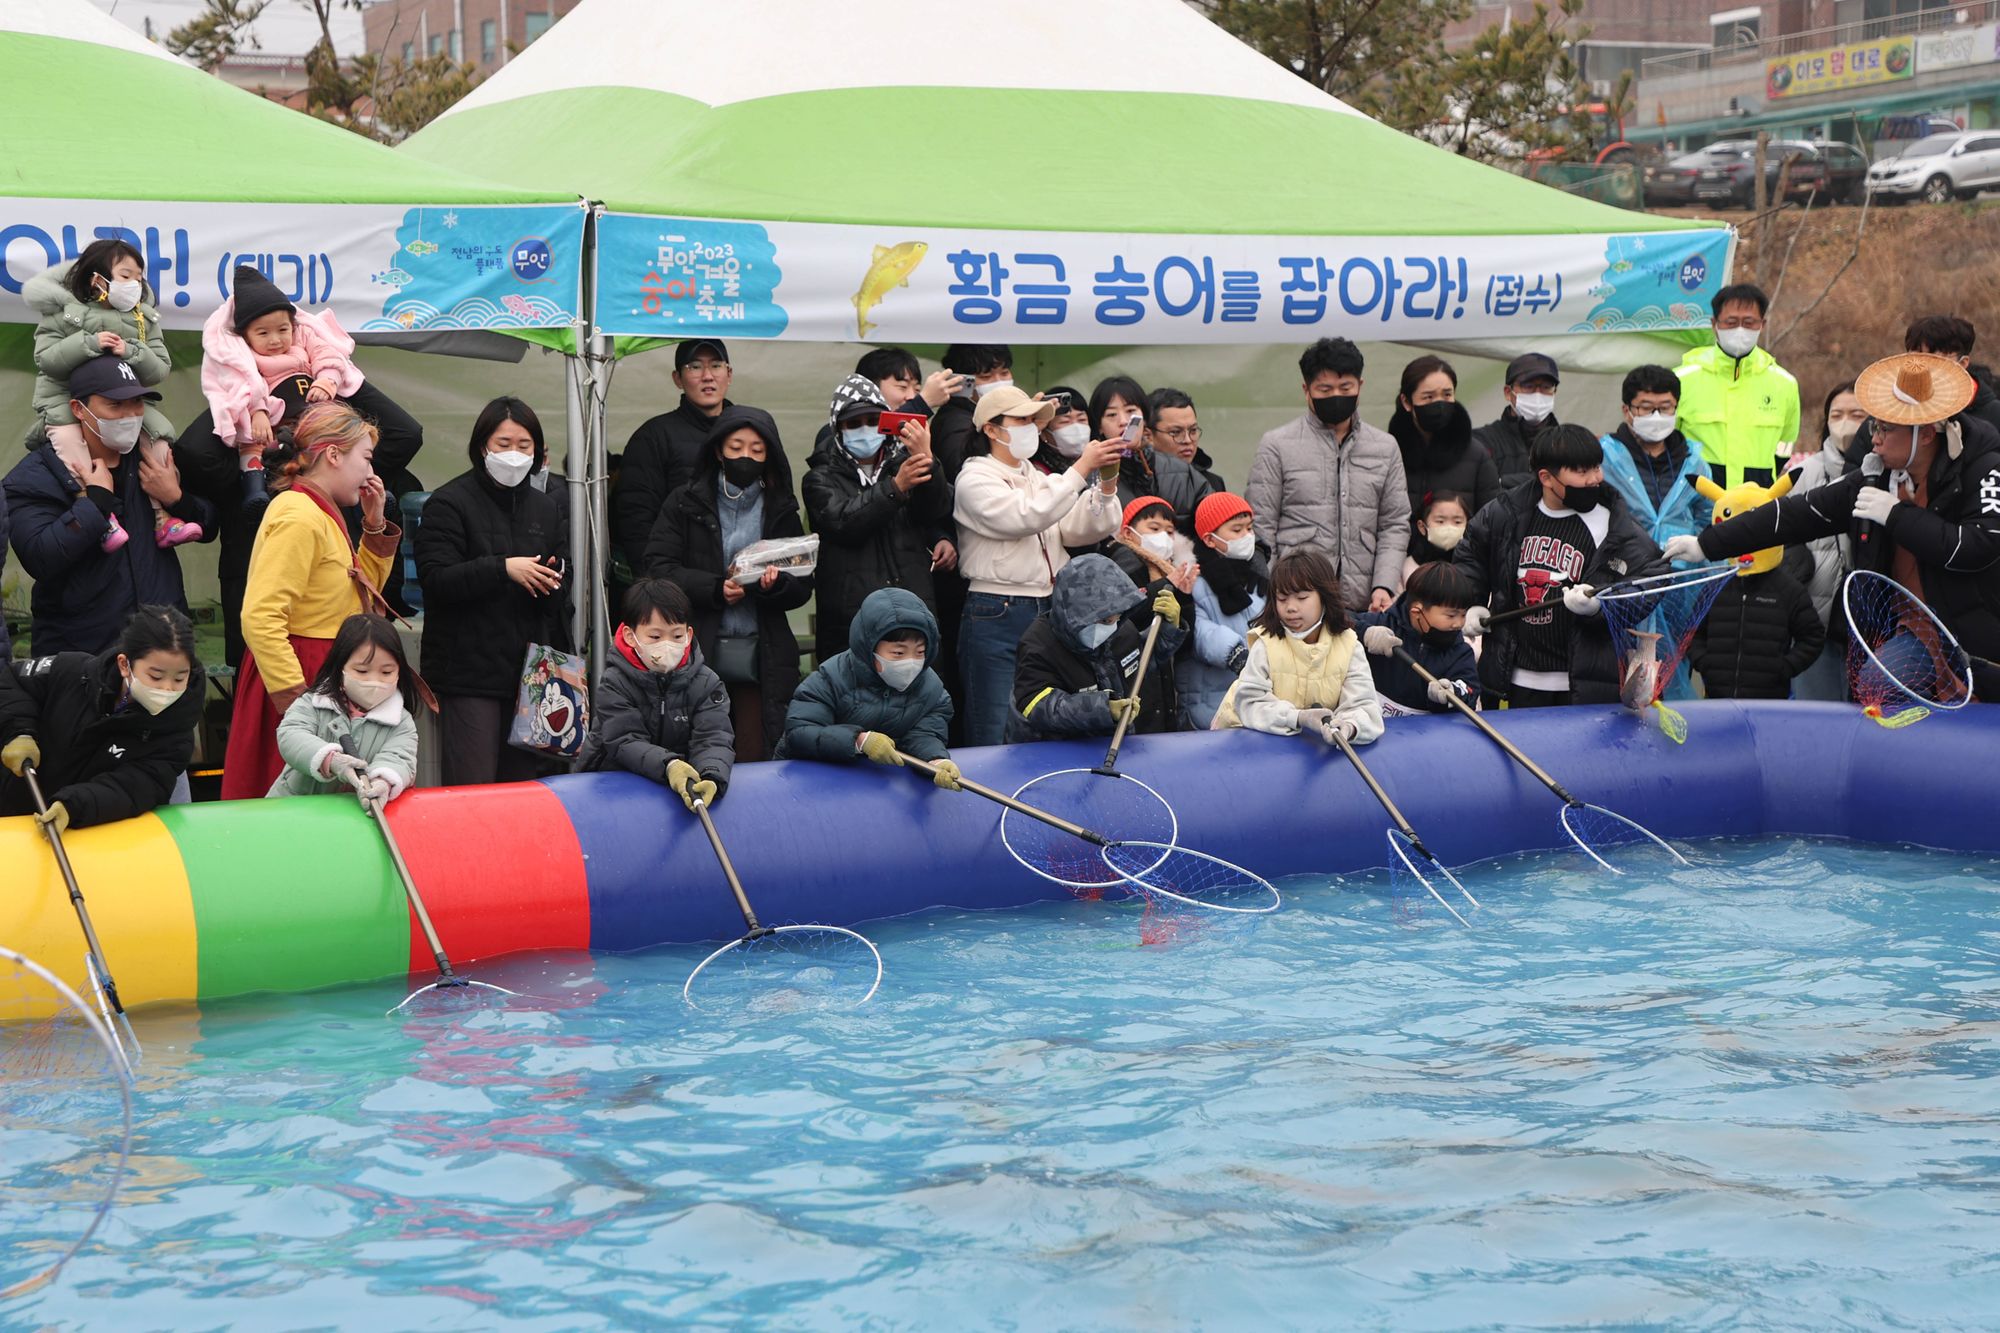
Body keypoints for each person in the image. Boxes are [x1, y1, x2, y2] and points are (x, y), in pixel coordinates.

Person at [1664, 352, 2000, 700]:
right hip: (1914, 632)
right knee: (1877, 685)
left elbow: (1978, 546)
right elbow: (1794, 514)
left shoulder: (1983, 467)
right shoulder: (1876, 476)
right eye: (1874, 426)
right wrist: (1708, 543)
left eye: (1886, 429)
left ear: (1926, 434)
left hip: (1979, 636)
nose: (1875, 439)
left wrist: (1898, 515)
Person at [223, 402, 400, 799]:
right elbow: (260, 616)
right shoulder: (299, 515)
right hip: (301, 676)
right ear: (334, 455)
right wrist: (298, 704)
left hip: (322, 674)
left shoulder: (319, 511)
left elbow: (361, 601)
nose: (370, 474)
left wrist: (373, 525)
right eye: (366, 459)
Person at [4, 355, 216, 656]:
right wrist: (96, 502)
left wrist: (176, 499)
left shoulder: (155, 459)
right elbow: (40, 557)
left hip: (163, 651)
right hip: (81, 659)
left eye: (137, 403)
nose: (130, 415)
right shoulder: (34, 477)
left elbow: (209, 525)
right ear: (79, 409)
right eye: (115, 405)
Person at [413, 397, 571, 786]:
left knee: (521, 790)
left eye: (524, 445)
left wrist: (552, 579)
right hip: (467, 672)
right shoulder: (449, 502)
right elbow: (435, 579)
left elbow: (558, 592)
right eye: (504, 444)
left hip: (529, 676)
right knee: (474, 786)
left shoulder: (546, 508)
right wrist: (502, 568)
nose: (514, 454)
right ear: (482, 446)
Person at [953, 385, 1122, 745]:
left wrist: (1106, 485)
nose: (1031, 426)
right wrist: (1080, 469)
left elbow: (1073, 530)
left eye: (1034, 419)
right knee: (995, 723)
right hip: (997, 609)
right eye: (1022, 419)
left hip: (1049, 608)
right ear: (991, 429)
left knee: (1047, 720)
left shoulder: (1038, 476)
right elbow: (1025, 517)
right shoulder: (974, 478)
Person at [1456, 423, 1668, 707]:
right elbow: (1470, 552)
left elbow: (1653, 577)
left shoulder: (1612, 522)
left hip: (1583, 684)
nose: (1595, 478)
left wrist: (1601, 606)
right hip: (1514, 681)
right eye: (1582, 471)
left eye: (1596, 467)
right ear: (1546, 477)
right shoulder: (1507, 513)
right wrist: (1472, 603)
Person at [643, 406, 812, 761]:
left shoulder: (781, 508)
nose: (745, 456)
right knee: (696, 751)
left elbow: (802, 584)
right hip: (693, 650)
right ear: (718, 450)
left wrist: (773, 586)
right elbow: (659, 568)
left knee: (756, 752)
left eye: (756, 449)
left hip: (762, 655)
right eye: (736, 447)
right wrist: (714, 588)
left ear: (770, 456)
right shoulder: (683, 501)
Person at [199, 265, 421, 514]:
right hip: (277, 424)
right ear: (246, 336)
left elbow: (327, 355)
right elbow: (245, 384)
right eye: (263, 333)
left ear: (293, 326)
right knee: (254, 444)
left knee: (355, 442)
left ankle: (369, 488)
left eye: (283, 330)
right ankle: (255, 491)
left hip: (319, 418)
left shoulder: (304, 339)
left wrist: (327, 380)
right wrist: (258, 411)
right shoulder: (245, 358)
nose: (275, 340)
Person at [25, 240, 196, 548]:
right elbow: (46, 360)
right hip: (63, 399)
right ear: (97, 280)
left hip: (127, 400)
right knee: (67, 444)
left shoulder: (144, 318)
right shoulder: (63, 313)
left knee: (159, 442)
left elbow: (159, 370)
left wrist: (130, 350)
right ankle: (99, 516)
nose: (135, 284)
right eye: (125, 275)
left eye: (139, 277)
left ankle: (164, 518)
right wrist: (88, 343)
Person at [0, 605, 203, 830]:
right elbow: (11, 680)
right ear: (124, 664)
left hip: (86, 833)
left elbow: (134, 787)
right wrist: (19, 732)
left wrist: (73, 806)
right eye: (156, 676)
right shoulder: (71, 671)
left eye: (179, 679)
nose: (167, 689)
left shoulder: (177, 735)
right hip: (9, 817)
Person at [802, 373, 955, 668]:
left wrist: (927, 458)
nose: (865, 429)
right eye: (854, 423)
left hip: (912, 609)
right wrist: (895, 488)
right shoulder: (819, 477)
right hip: (850, 619)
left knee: (921, 703)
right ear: (837, 429)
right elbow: (843, 522)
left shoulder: (903, 462)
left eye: (873, 420)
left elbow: (935, 510)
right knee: (855, 705)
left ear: (886, 424)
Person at [1247, 337, 1409, 614]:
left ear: (1360, 386)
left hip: (1364, 605)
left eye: (1345, 387)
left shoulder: (1385, 446)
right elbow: (1261, 526)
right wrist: (1277, 591)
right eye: (1325, 388)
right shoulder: (1277, 444)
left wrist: (1384, 585)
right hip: (1296, 601)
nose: (1336, 395)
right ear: (1306, 390)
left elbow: (1394, 523)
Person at [776, 586, 960, 790]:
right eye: (898, 653)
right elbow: (800, 732)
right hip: (807, 782)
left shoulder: (933, 692)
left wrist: (935, 761)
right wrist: (858, 740)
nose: (910, 662)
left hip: (873, 786)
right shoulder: (830, 678)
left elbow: (924, 735)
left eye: (919, 652)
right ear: (869, 647)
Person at [578, 577, 734, 810]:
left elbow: (713, 736)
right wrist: (670, 765)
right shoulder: (615, 681)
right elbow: (624, 741)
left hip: (677, 788)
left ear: (689, 635)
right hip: (612, 787)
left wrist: (711, 774)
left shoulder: (707, 683)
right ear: (631, 636)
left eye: (677, 636)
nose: (667, 645)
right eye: (655, 637)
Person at [1211, 548, 1384, 743]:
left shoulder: (1349, 644)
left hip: (1302, 747)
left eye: (1302, 598)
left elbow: (1365, 705)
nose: (1291, 608)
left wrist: (1350, 727)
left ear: (1325, 597)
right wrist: (1297, 717)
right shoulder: (1266, 642)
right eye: (1282, 599)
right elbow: (1250, 704)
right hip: (1243, 739)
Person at [1008, 553, 1187, 741]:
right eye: (1104, 620)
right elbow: (1035, 705)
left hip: (1114, 745)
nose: (1111, 625)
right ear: (1077, 615)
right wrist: (1103, 708)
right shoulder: (1039, 644)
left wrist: (1169, 628)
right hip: (1052, 753)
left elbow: (1141, 664)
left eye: (1117, 617)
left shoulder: (1121, 629)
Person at [1684, 486, 1826, 700]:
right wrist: (1706, 664)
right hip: (1717, 700)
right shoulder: (1715, 587)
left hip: (1768, 705)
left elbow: (1813, 637)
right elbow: (1692, 633)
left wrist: (1783, 669)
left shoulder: (1788, 589)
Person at [269, 613, 419, 801]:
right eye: (362, 671)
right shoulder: (312, 703)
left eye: (387, 672)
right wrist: (331, 760)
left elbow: (399, 758)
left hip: (356, 816)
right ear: (340, 666)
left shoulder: (401, 722)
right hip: (294, 810)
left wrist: (382, 781)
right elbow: (290, 736)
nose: (375, 681)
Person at [615, 338, 734, 575]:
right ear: (677, 379)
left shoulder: (750, 431)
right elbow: (636, 520)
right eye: (695, 367)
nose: (707, 376)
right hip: (680, 585)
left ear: (729, 374)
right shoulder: (653, 436)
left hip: (743, 579)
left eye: (716, 365)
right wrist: (655, 584)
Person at [1675, 283, 1801, 491]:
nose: (1740, 330)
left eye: (1749, 322)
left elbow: (1784, 445)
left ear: (1763, 324)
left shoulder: (1784, 384)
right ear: (1714, 324)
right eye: (1731, 322)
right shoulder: (1682, 379)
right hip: (1697, 503)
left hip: (1756, 503)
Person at [1787, 380, 1865, 701]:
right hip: (1815, 617)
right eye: (1837, 414)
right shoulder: (1804, 472)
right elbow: (1783, 534)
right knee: (1816, 715)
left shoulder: (1892, 470)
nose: (1846, 423)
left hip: (1871, 620)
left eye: (1857, 414)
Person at [1600, 364, 1713, 550]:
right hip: (1624, 567)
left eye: (1665, 408)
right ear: (1626, 410)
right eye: (1646, 408)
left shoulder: (1693, 462)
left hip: (1681, 568)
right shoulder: (1606, 458)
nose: (1657, 416)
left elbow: (1707, 516)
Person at [1354, 561, 1482, 717]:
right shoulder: (1383, 625)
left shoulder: (1460, 652)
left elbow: (1469, 690)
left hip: (1424, 734)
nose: (1459, 623)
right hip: (1371, 724)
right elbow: (1337, 620)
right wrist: (1365, 633)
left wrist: (1451, 694)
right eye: (1451, 615)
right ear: (1417, 612)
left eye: (1463, 615)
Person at [1091, 376, 1215, 536]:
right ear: (1099, 426)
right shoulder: (1090, 474)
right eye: (1111, 415)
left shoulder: (1180, 471)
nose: (1123, 421)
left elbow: (1218, 520)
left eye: (1130, 411)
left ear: (1144, 417)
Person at [1186, 492, 1268, 729]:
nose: (1247, 536)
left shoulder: (1257, 577)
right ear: (1210, 539)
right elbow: (1196, 628)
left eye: (1250, 528)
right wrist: (1233, 651)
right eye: (1237, 530)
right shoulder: (1193, 577)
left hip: (1255, 696)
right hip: (1211, 699)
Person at [1388, 355, 1497, 530]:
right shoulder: (1388, 453)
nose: (1439, 403)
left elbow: (1492, 522)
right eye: (1428, 397)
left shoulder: (1477, 456)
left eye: (1447, 394)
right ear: (1407, 402)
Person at [808, 347, 960, 455]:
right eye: (902, 386)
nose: (911, 396)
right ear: (869, 387)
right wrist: (923, 402)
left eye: (917, 390)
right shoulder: (834, 433)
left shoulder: (916, 437)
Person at [1471, 353, 1564, 494]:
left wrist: (1504, 481)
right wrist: (1551, 480)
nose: (1538, 394)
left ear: (1554, 392)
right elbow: (1483, 488)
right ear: (1508, 393)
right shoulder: (1482, 440)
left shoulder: (1566, 441)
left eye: (1546, 387)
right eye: (1529, 386)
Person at [930, 343, 1013, 482]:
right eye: (986, 377)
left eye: (1005, 373)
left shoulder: (993, 414)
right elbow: (962, 472)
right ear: (960, 381)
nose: (999, 382)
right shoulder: (954, 422)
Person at [1904, 315, 2000, 435]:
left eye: (1933, 361)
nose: (1923, 369)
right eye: (1915, 361)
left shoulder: (1993, 415)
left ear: (1962, 363)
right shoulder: (1896, 406)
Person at [1108, 495, 1199, 596]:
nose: (1163, 536)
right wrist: (1166, 584)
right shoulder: (1125, 563)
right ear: (1128, 533)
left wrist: (1184, 593)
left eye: (1169, 532)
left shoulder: (1172, 567)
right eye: (1155, 528)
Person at [1148, 386, 1227, 493]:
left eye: (1193, 430)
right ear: (1148, 435)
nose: (1188, 440)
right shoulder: (1136, 486)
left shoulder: (1213, 484)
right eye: (1175, 432)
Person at [1405, 491, 1472, 582]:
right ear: (1422, 526)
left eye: (1457, 522)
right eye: (1440, 521)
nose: (1449, 528)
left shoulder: (1472, 566)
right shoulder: (1409, 566)